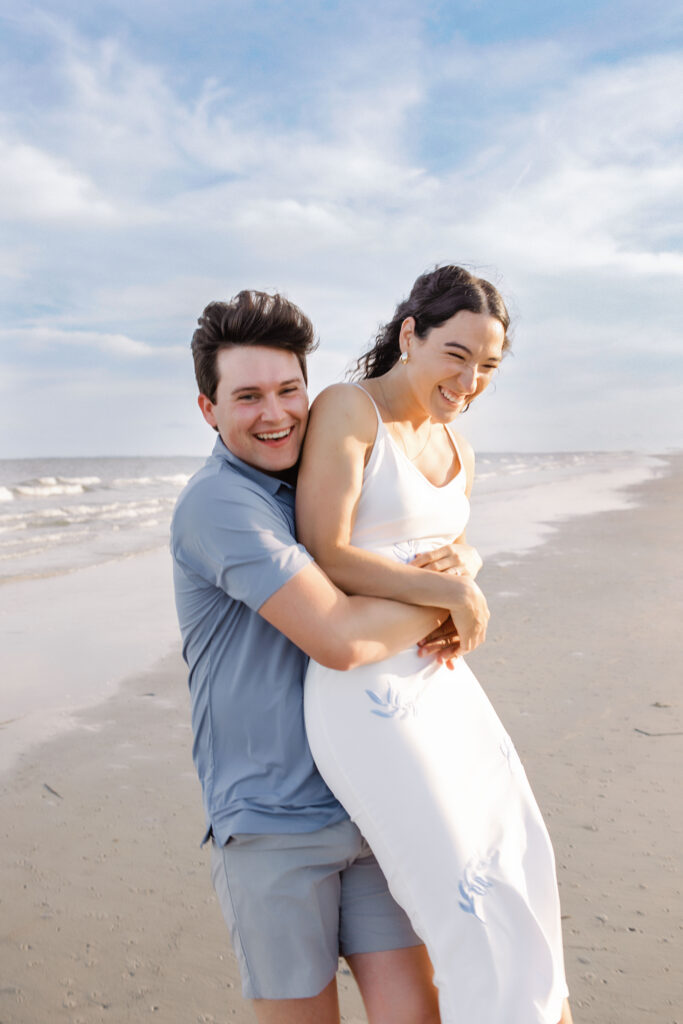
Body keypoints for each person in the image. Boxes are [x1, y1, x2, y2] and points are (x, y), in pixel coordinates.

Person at [170, 289, 487, 1024]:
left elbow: (412, 538)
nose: (275, 413)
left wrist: (457, 562)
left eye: (288, 391)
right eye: (247, 397)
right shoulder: (221, 505)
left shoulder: (320, 483)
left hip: (371, 795)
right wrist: (453, 596)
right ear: (208, 410)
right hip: (274, 819)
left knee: (416, 1014)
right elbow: (340, 639)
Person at [296, 265, 573, 1024]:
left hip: (444, 687)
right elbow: (326, 550)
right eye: (456, 354)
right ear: (409, 335)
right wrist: (450, 591)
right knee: (458, 890)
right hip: (365, 695)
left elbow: (450, 547)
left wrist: (469, 567)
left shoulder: (459, 448)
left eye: (487, 366)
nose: (470, 380)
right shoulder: (349, 411)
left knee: (519, 858)